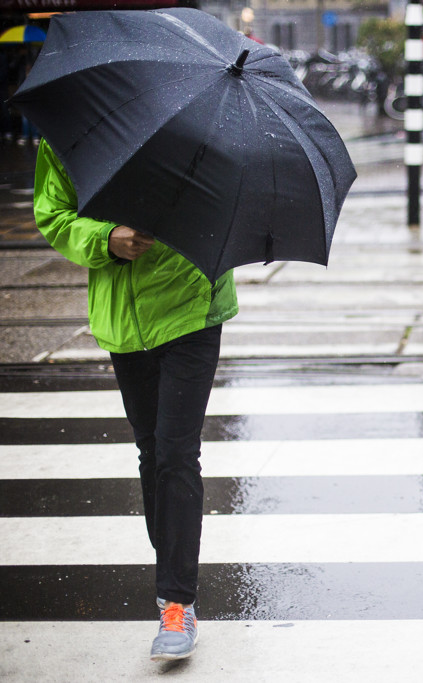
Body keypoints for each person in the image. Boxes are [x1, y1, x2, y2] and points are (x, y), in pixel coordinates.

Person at [33, 139, 238, 661]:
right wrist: (107, 238)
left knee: (175, 452)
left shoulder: (198, 125)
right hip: (122, 318)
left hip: (191, 305)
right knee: (151, 453)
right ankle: (172, 566)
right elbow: (52, 215)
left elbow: (229, 201)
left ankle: (176, 600)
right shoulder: (70, 132)